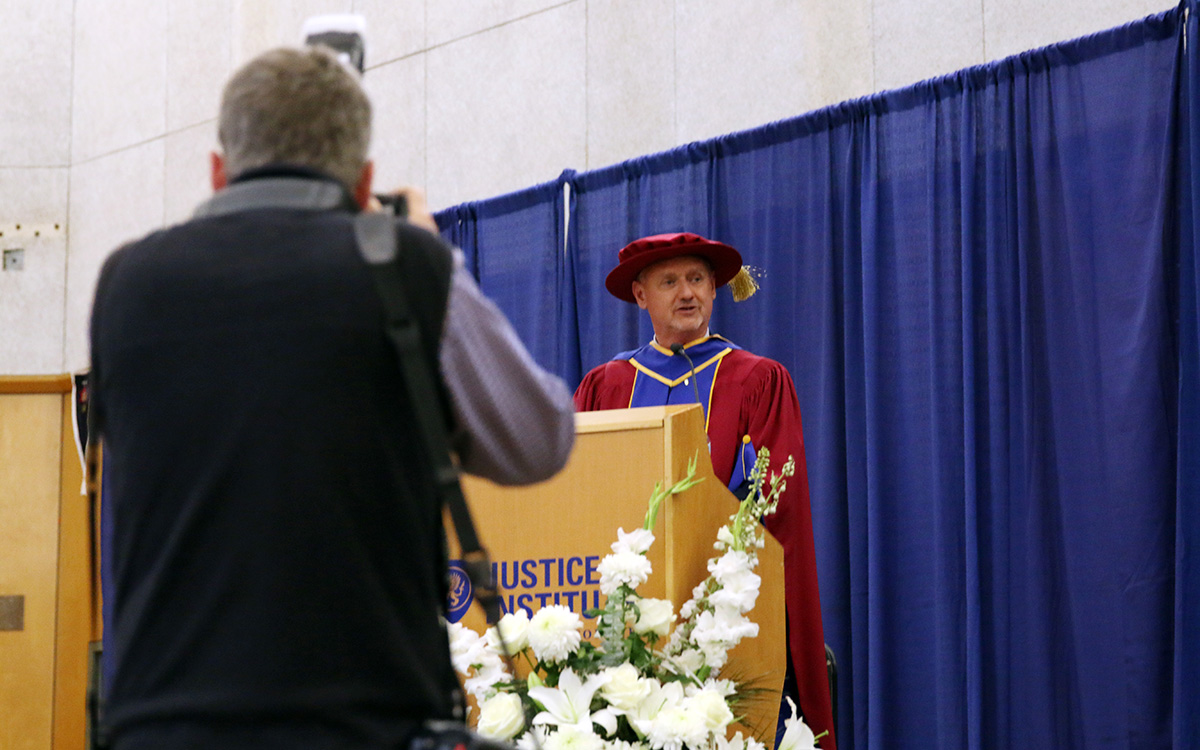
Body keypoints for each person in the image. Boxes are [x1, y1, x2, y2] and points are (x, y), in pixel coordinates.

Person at [88, 46, 576, 750]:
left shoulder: (126, 285)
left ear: (218, 171)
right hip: (358, 723)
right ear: (364, 182)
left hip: (160, 723)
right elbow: (540, 441)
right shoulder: (403, 267)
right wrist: (436, 260)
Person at [573, 232, 835, 749]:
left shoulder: (755, 381)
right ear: (641, 295)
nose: (686, 292)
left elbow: (777, 516)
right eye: (669, 281)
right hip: (626, 637)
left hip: (726, 628)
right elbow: (580, 503)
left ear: (716, 290)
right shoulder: (605, 387)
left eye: (697, 279)